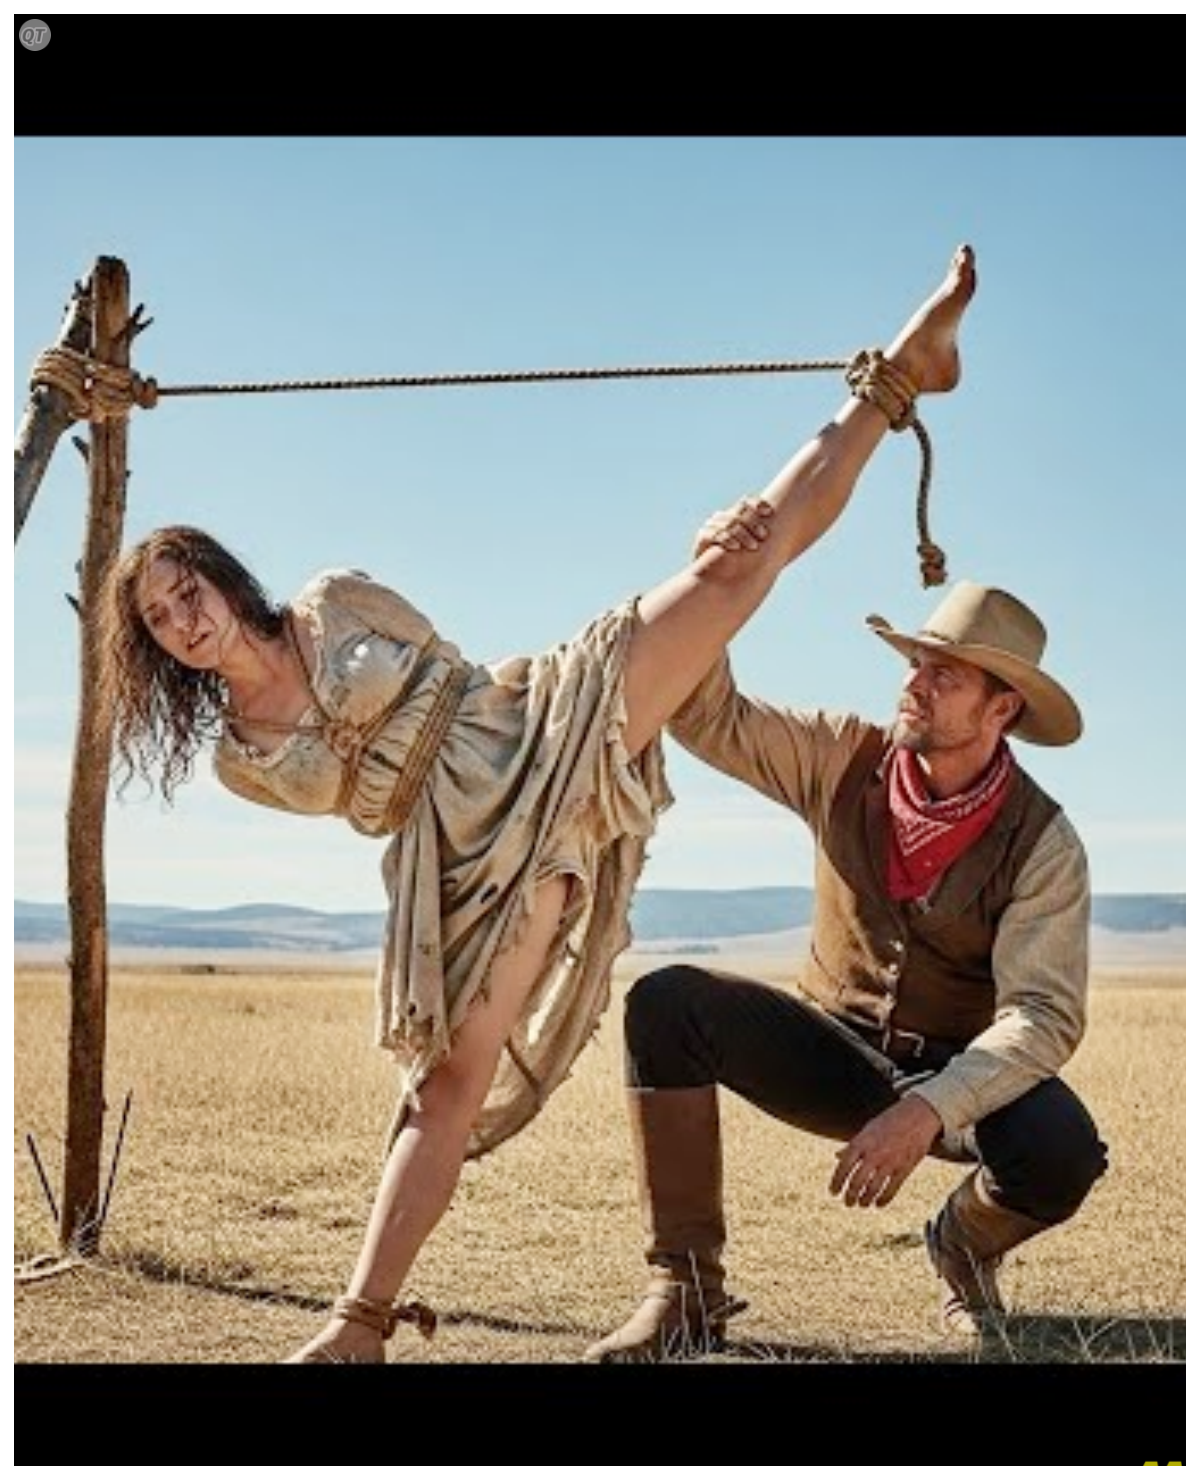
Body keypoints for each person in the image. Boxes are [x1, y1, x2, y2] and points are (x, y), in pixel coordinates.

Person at [97, 245, 977, 1364]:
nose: (186, 618)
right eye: (164, 620)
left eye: (191, 591)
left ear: (225, 579)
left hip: (532, 726)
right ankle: (358, 1324)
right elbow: (371, 801)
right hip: (452, 862)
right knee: (447, 1086)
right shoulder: (239, 758)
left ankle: (900, 372)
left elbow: (455, 673)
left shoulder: (334, 600)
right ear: (159, 649)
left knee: (733, 567)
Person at [585, 559, 1109, 1363]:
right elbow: (711, 716)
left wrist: (931, 1107)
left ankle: (963, 1246)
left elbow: (1042, 1017)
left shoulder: (1044, 844)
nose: (916, 685)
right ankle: (685, 1292)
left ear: (1001, 707)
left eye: (945, 675)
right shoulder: (838, 755)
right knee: (665, 1003)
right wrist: (717, 578)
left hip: (956, 1077)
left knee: (1062, 1150)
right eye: (915, 666)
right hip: (828, 1047)